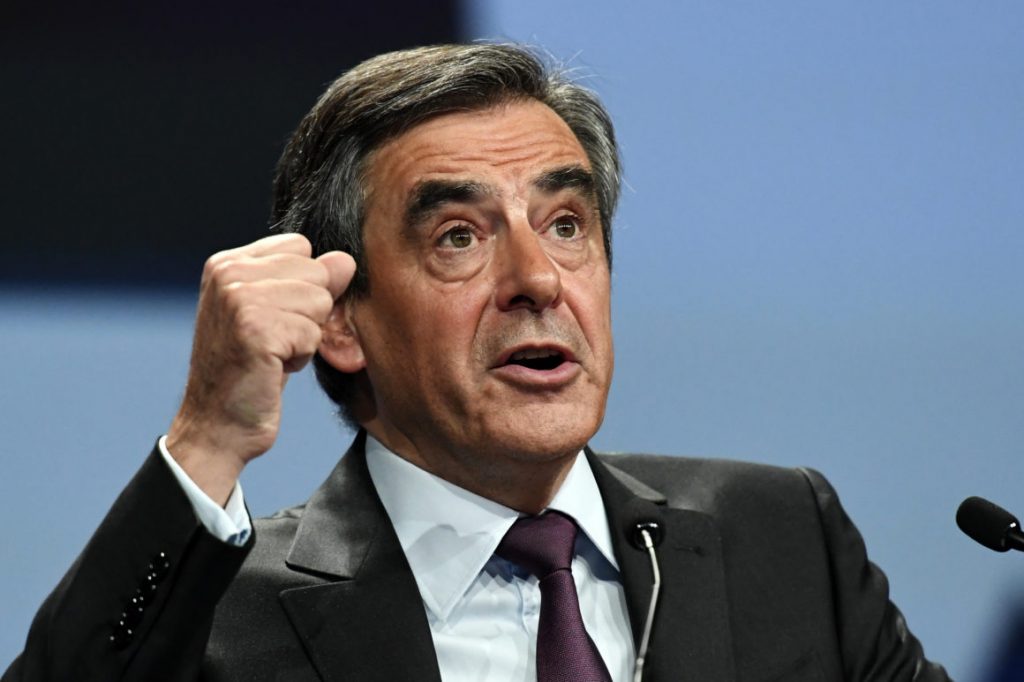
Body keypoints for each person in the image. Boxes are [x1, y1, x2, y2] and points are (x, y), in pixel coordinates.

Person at [4, 43, 948, 682]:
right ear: (342, 321)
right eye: (459, 237)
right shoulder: (220, 622)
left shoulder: (782, 538)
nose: (538, 279)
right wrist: (209, 435)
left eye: (566, 224)